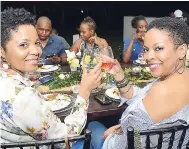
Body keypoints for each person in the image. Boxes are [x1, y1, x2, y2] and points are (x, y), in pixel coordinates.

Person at [0, 7, 102, 149]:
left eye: (36, 43)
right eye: (23, 45)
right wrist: (84, 92)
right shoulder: (22, 98)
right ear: (1, 50)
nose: (37, 51)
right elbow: (66, 140)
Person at [88, 17, 189, 149]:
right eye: (146, 49)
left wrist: (114, 133)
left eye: (158, 48)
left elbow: (129, 142)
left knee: (92, 125)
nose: (148, 57)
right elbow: (143, 101)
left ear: (181, 50)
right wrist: (119, 75)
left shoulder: (161, 91)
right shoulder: (176, 78)